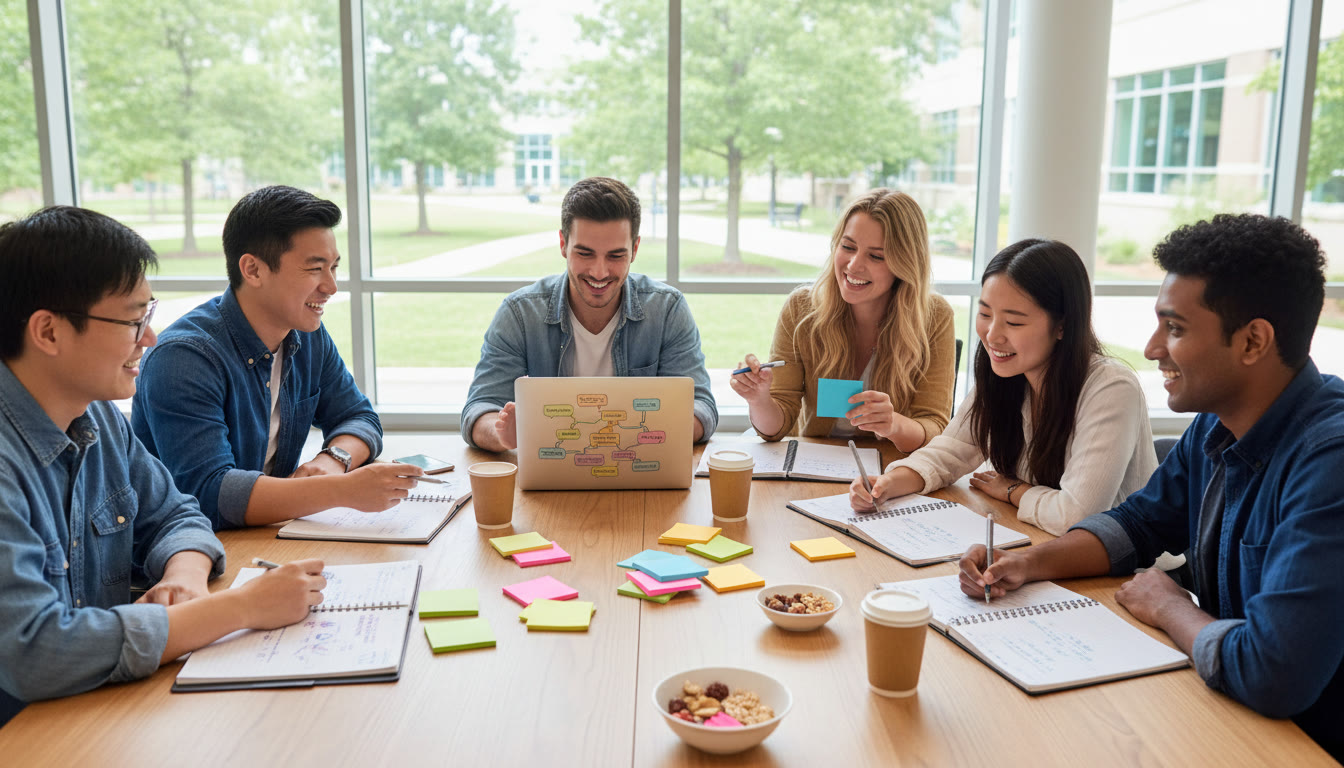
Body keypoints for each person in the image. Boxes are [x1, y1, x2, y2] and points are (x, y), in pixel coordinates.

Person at [960, 215, 1342, 759]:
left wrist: (1170, 608)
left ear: (1253, 341)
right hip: (1225, 714)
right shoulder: (1217, 422)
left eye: (1176, 328)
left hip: (1302, 744)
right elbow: (1135, 525)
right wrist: (1027, 563)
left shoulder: (1329, 462)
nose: (1152, 346)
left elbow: (1273, 673)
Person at [0, 206, 325, 726]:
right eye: (133, 320)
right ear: (49, 332)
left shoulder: (98, 417)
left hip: (98, 711)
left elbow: (177, 514)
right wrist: (235, 609)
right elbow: (34, 653)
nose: (148, 338)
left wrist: (186, 576)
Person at [132, 186, 418, 530]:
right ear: (253, 270)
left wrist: (334, 460)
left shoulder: (306, 335)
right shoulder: (183, 358)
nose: (331, 286)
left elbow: (359, 418)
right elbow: (209, 494)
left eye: (333, 268)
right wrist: (338, 490)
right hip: (196, 557)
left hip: (269, 536)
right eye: (315, 269)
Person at [849, 239, 1156, 535]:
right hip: (1042, 544)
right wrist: (887, 483)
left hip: (1129, 573)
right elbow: (949, 453)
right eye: (985, 314)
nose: (992, 336)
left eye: (1014, 322)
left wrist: (1014, 491)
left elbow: (1076, 516)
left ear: (1062, 325)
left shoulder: (1111, 388)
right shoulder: (1006, 373)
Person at [463, 176, 717, 451]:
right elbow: (479, 409)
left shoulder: (666, 309)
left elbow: (701, 408)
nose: (599, 272)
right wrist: (503, 434)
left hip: (639, 474)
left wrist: (636, 433)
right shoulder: (519, 313)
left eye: (615, 256)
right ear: (563, 244)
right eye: (585, 254)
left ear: (635, 249)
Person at [732, 189, 955, 455]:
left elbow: (934, 427)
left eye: (876, 256)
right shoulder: (801, 309)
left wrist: (894, 425)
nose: (853, 265)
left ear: (904, 263)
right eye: (847, 247)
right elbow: (776, 429)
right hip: (812, 468)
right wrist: (759, 400)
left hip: (890, 472)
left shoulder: (935, 316)